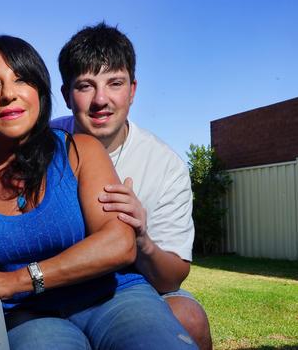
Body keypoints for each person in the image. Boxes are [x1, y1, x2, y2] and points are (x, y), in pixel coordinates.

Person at [0, 35, 197, 349]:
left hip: (115, 298)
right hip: (29, 317)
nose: (8, 94)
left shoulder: (80, 150)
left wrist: (14, 281)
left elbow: (119, 243)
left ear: (39, 93)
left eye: (22, 80)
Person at [51, 22, 212, 349]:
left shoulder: (165, 166)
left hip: (134, 287)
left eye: (115, 83)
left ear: (133, 90)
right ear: (66, 95)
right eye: (85, 85)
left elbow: (171, 278)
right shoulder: (41, 147)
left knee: (189, 318)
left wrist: (141, 238)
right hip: (54, 290)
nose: (101, 99)